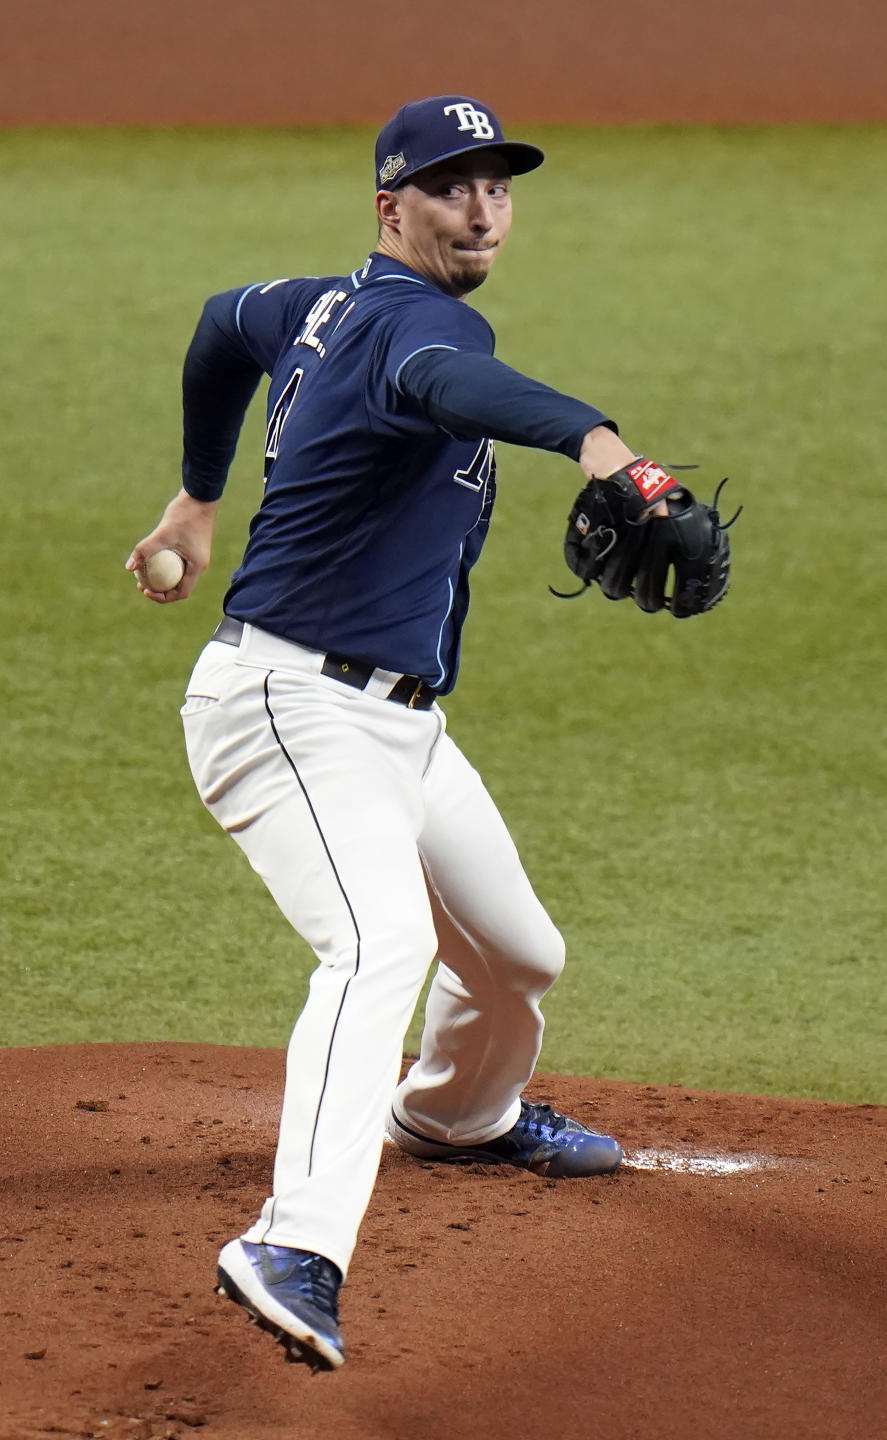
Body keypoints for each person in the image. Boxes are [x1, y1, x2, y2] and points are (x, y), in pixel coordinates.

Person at [127, 95, 676, 1373]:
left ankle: (454, 1117)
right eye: (450, 186)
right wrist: (602, 444)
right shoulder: (416, 330)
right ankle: (291, 1243)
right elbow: (457, 383)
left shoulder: (313, 305)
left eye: (498, 184)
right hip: (288, 709)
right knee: (381, 948)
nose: (481, 206)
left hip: (402, 732)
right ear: (394, 209)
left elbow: (222, 325)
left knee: (518, 957)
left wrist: (198, 498)